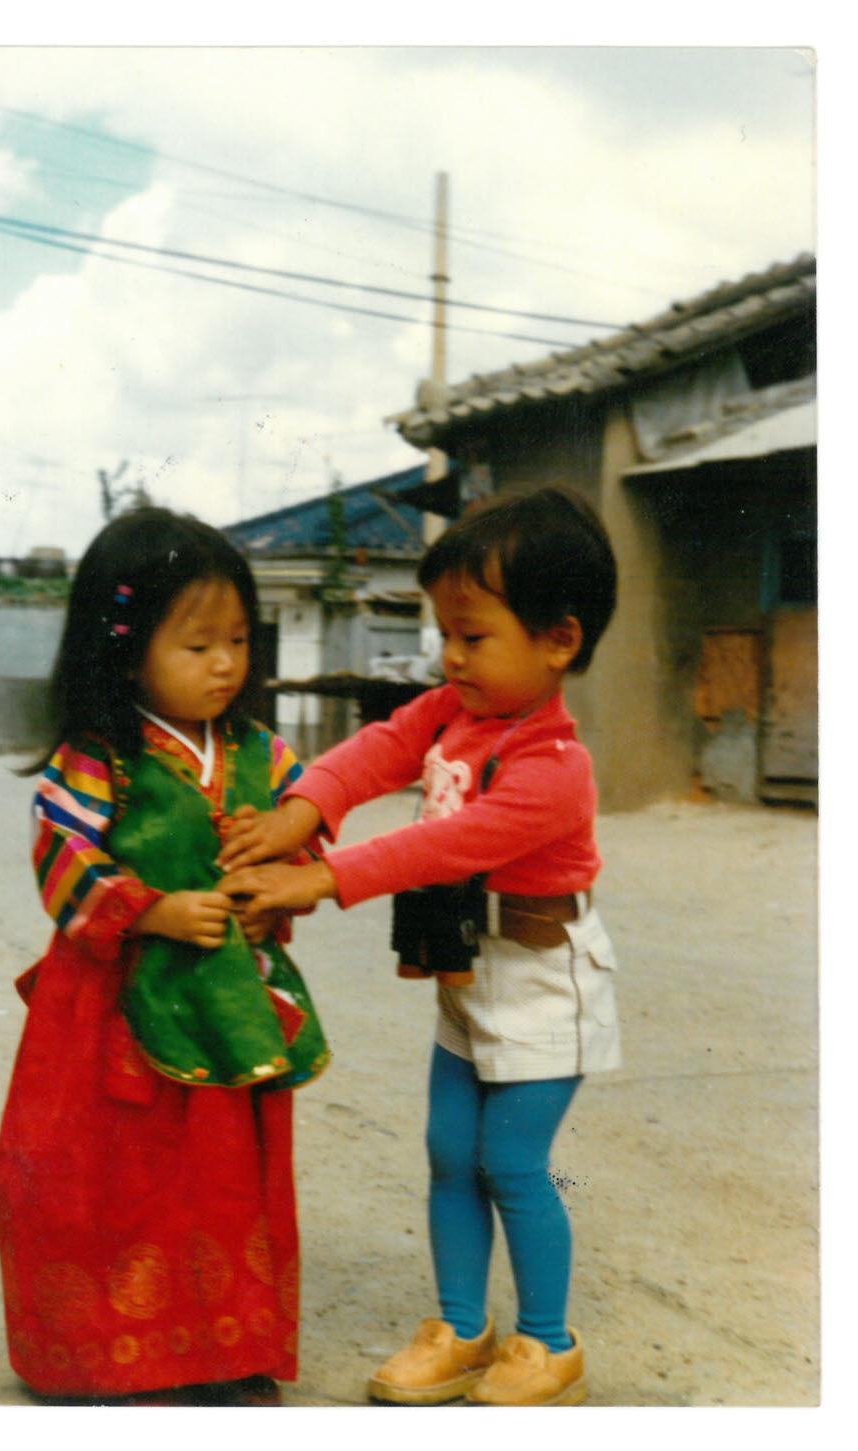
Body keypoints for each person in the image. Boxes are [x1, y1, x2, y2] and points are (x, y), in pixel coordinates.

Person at [219, 487, 619, 1408]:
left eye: (473, 636)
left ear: (559, 639)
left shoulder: (555, 767)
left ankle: (548, 1342)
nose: (451, 656)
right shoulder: (450, 711)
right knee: (448, 1151)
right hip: (468, 973)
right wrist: (300, 811)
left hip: (544, 981)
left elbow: (444, 846)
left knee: (512, 1162)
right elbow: (375, 750)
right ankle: (461, 1329)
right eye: (445, 633)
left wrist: (322, 876)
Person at [0, 507, 329, 1406]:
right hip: (113, 1008)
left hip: (230, 1004)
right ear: (124, 650)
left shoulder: (265, 754)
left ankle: (226, 1348)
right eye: (197, 644)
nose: (226, 663)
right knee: (119, 1178)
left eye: (238, 640)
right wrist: (151, 910)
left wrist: (275, 887)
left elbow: (303, 842)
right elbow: (63, 858)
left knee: (226, 1182)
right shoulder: (98, 758)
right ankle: (111, 1353)